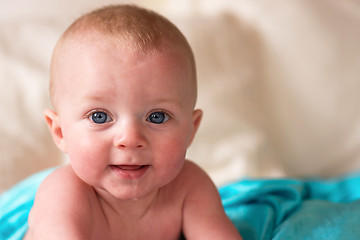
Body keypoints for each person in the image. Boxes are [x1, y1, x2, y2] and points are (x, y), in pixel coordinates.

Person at [24, 4, 242, 240]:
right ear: (60, 132)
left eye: (156, 117)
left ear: (191, 130)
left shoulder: (190, 187)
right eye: (100, 116)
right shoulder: (63, 194)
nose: (130, 139)